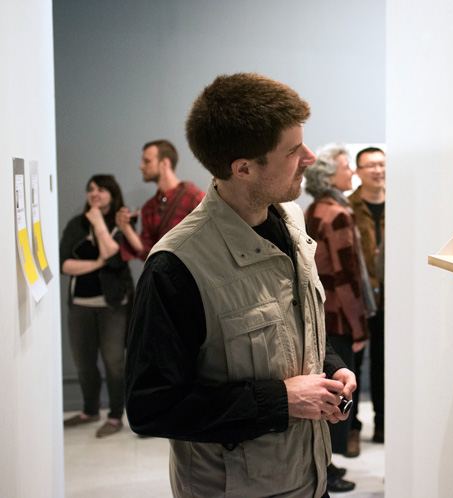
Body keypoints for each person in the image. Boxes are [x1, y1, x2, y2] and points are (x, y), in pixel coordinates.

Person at [125, 73, 356, 498]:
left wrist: (330, 364)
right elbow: (150, 406)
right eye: (293, 150)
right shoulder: (177, 266)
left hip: (310, 478)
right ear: (243, 168)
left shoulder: (290, 219)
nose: (309, 157)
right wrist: (280, 401)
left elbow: (290, 320)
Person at [304, 143, 375, 493]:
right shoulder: (339, 214)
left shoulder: (316, 208)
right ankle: (326, 469)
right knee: (338, 396)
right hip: (340, 320)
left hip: (322, 316)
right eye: (347, 166)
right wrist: (360, 326)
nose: (352, 172)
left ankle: (326, 466)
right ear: (330, 174)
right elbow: (347, 279)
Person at [60, 174, 134, 438]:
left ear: (112, 195)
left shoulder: (123, 225)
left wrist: (99, 224)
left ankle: (115, 416)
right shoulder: (75, 225)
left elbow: (115, 259)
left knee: (114, 362)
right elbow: (64, 265)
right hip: (80, 305)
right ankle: (89, 411)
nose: (94, 193)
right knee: (83, 362)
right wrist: (97, 263)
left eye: (101, 189)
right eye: (91, 189)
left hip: (113, 305)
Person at [348, 146, 386, 454]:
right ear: (358, 171)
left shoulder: (398, 205)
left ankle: (385, 423)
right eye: (370, 165)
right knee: (355, 365)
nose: (377, 170)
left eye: (381, 164)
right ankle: (352, 428)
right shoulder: (347, 208)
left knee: (387, 364)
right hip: (358, 301)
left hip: (391, 299)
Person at [115, 139, 204, 261]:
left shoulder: (193, 196)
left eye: (147, 161)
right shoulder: (149, 207)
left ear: (165, 163)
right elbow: (147, 252)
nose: (141, 166)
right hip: (165, 276)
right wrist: (125, 227)